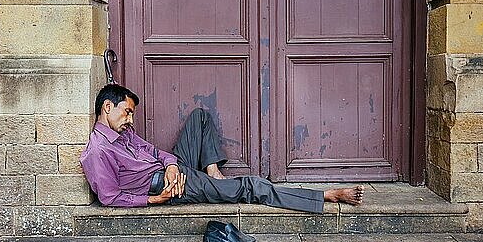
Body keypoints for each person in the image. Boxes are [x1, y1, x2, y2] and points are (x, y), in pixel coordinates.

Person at [80, 84, 364, 213]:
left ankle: (212, 172)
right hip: (167, 188)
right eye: (127, 112)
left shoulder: (124, 131)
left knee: (200, 117)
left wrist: (172, 166)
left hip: (171, 172)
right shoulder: (98, 152)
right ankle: (324, 196)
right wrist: (157, 200)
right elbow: (109, 197)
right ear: (108, 107)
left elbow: (158, 153)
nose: (130, 119)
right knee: (249, 186)